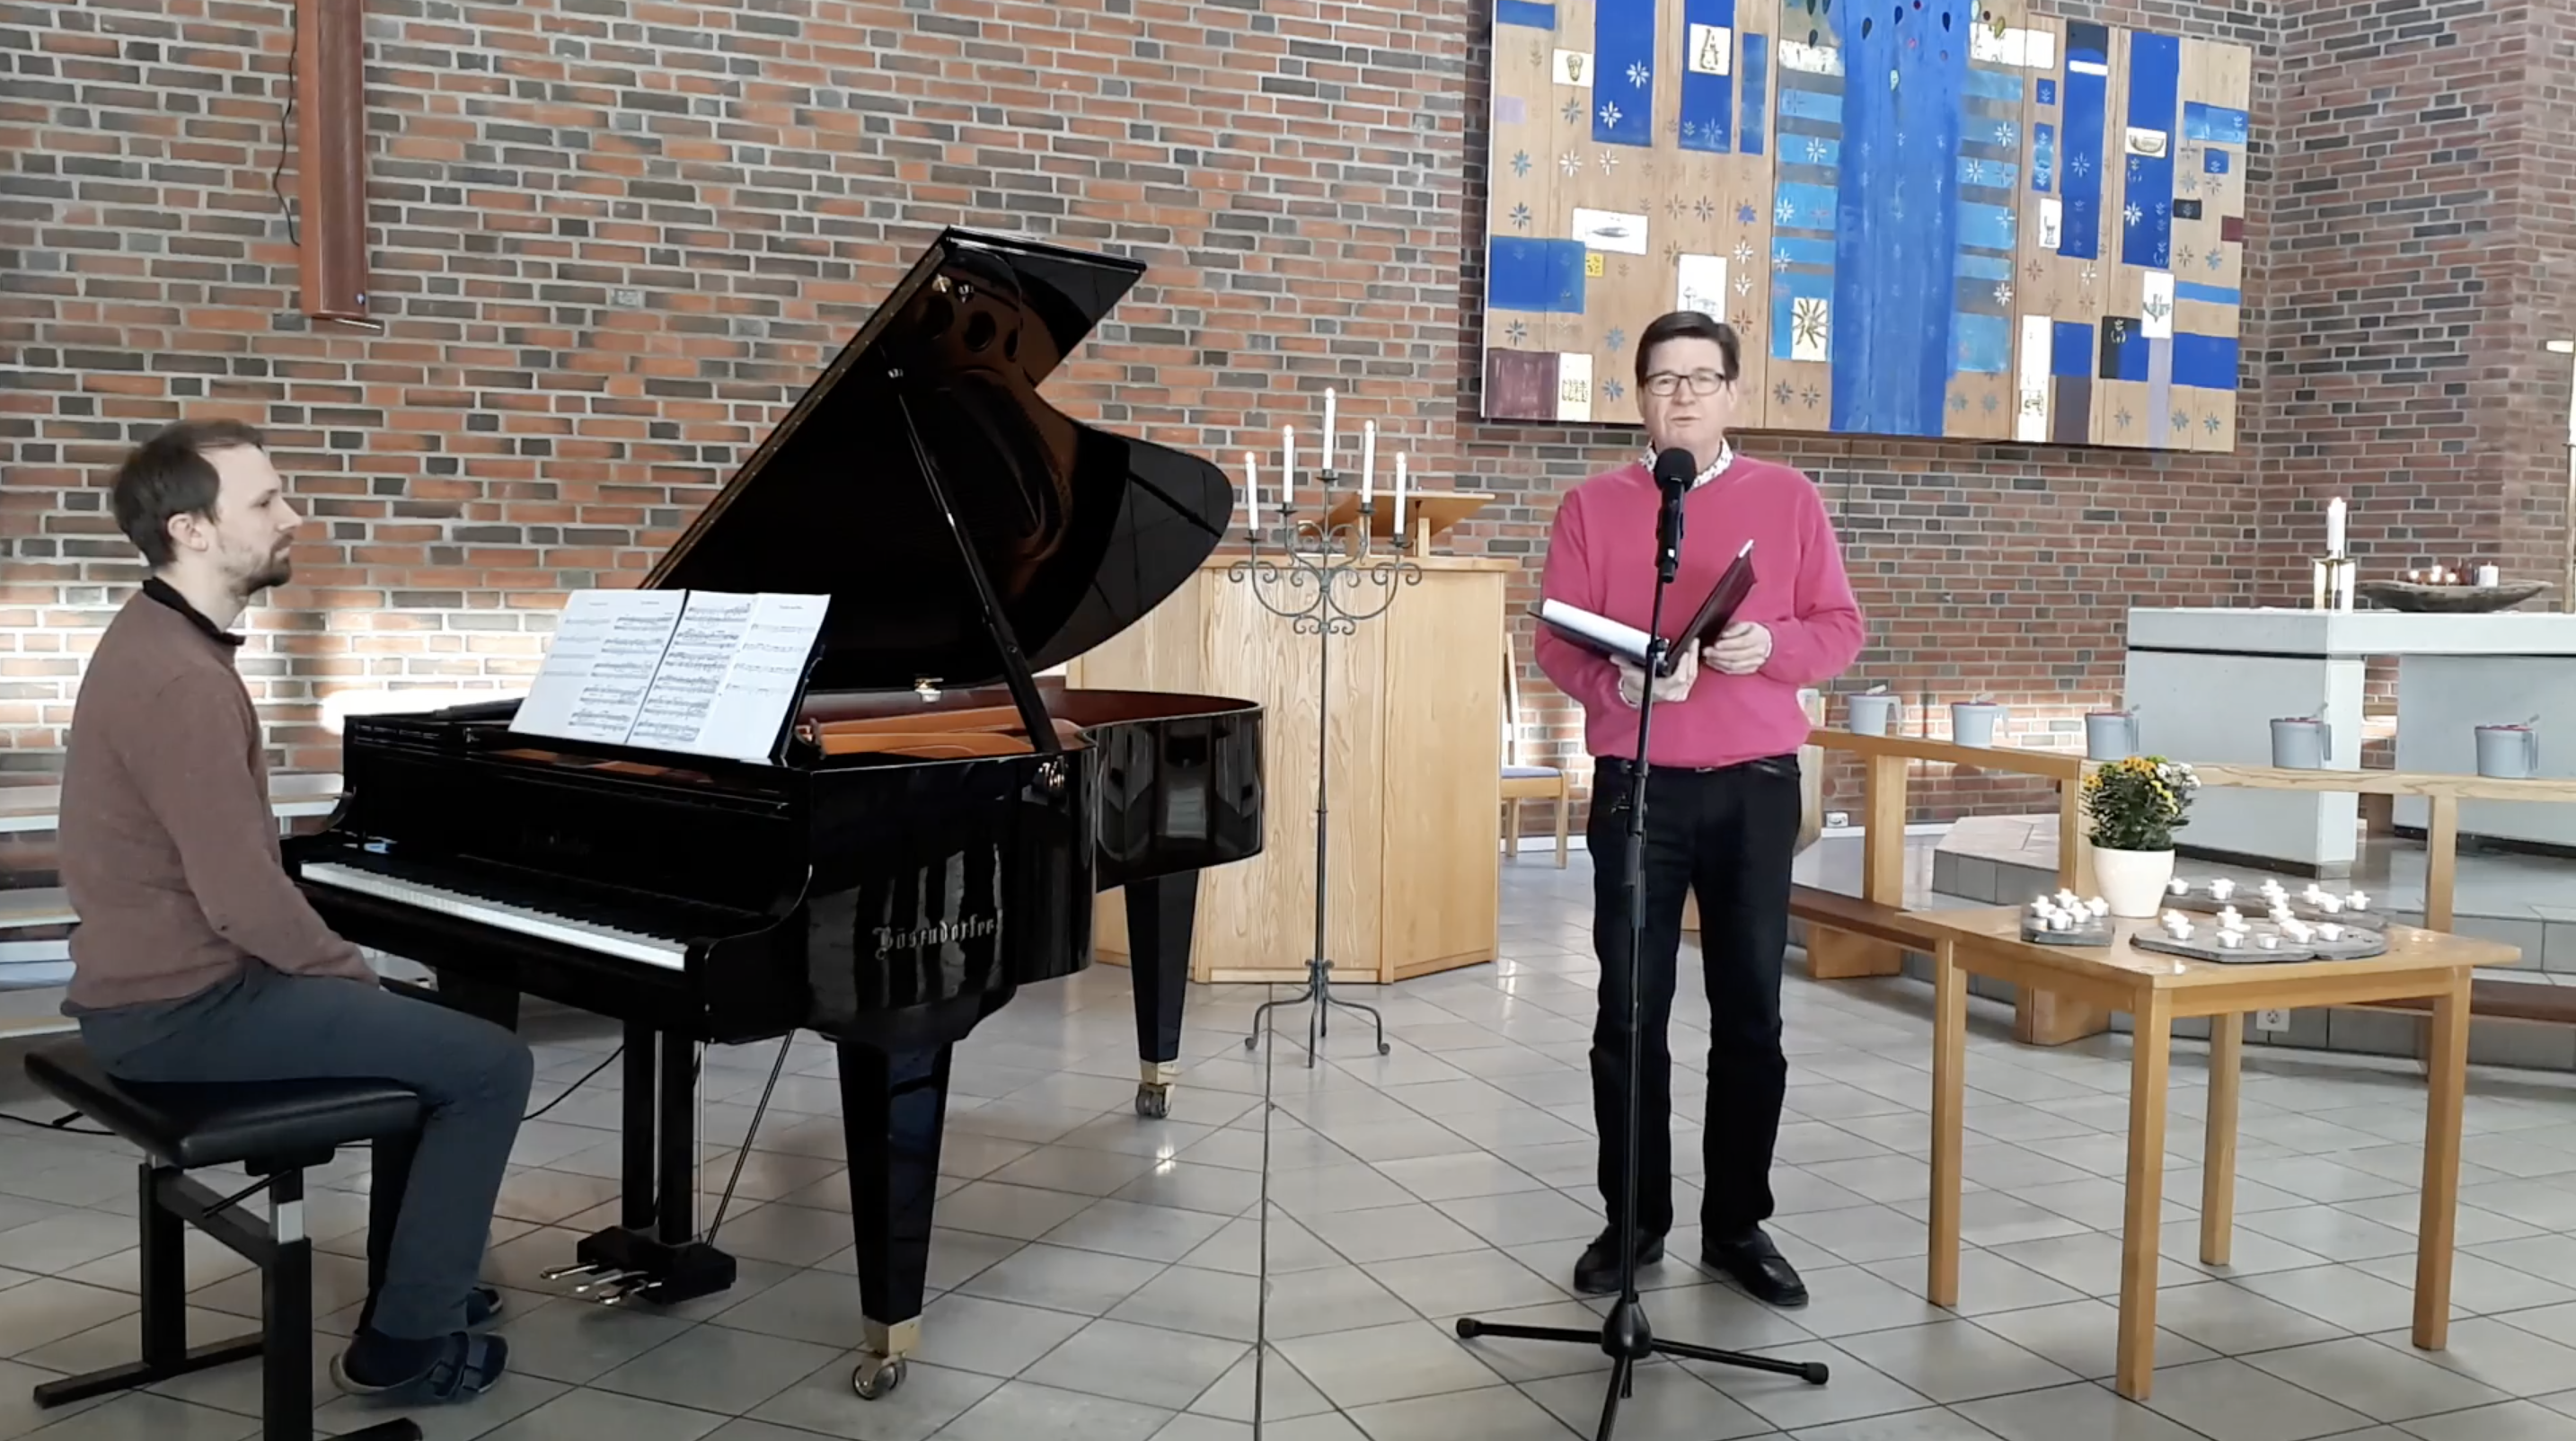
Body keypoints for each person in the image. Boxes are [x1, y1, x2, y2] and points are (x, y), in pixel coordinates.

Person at [57, 420, 528, 1404]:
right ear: (190, 528)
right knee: (490, 1064)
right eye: (267, 501)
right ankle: (405, 1348)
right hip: (181, 1010)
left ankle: (421, 1283)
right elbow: (242, 901)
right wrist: (352, 975)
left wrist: (352, 982)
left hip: (164, 987)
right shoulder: (184, 680)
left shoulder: (157, 635)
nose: (294, 517)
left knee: (436, 1038)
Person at [1534, 314, 1866, 1306]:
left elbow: (1840, 626)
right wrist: (1617, 684)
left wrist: (1775, 649)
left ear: (1732, 393)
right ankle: (1633, 1221)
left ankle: (1737, 1225)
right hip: (1639, 785)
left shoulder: (1789, 496)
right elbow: (1555, 641)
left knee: (1751, 1010)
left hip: (1756, 786)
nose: (1682, 395)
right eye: (1663, 379)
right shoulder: (1593, 506)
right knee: (1628, 1011)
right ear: (1638, 395)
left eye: (1701, 378)